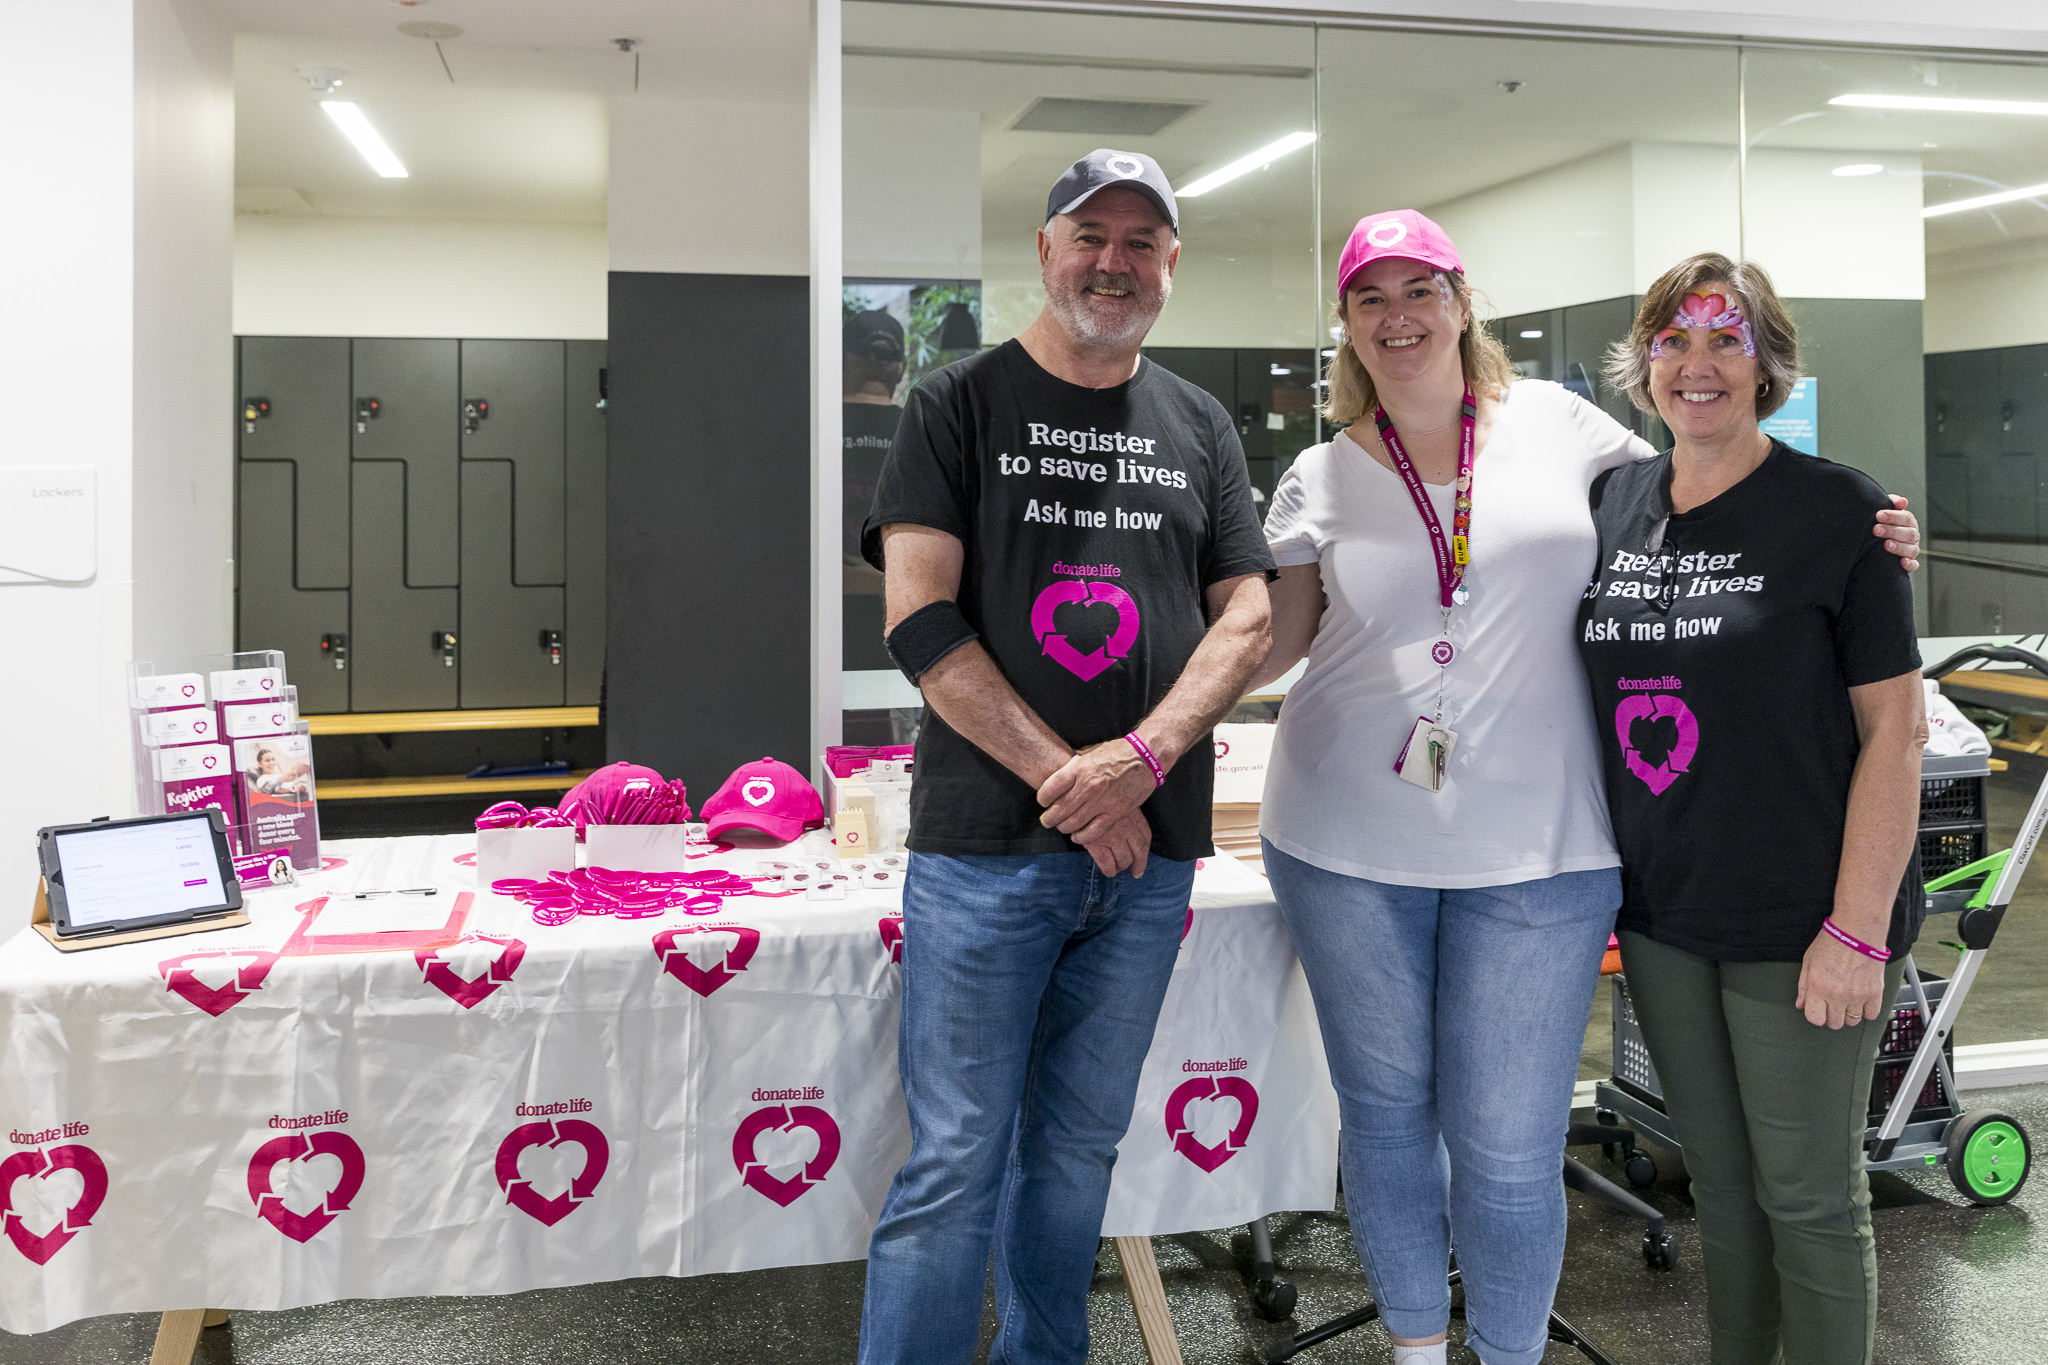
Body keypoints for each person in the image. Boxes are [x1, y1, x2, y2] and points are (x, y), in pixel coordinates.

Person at [1247, 212, 1919, 1365]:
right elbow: (1276, 640)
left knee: (1593, 1160)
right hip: (1463, 858)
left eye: (1422, 290)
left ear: (1464, 303)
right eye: (1370, 297)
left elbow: (1877, 707)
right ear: (1346, 327)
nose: (1695, 366)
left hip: (1619, 867)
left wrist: (1876, 532)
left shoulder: (1583, 442)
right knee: (1424, 1129)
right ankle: (1419, 1348)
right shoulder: (1347, 477)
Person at [855, 149, 1274, 1365]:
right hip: (987, 858)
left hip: (1147, 866)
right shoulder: (955, 401)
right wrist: (1076, 785)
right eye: (1089, 235)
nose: (1113, 261)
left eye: (1141, 242)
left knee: (1079, 1150)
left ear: (1170, 266)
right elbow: (919, 620)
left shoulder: (1197, 423)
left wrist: (1138, 759)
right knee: (954, 1159)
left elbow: (1244, 615)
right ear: (1043, 251)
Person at [1580, 255, 1924, 1365]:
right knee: (1720, 1198)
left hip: (1803, 920)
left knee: (1809, 1200)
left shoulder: (1839, 511)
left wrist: (1855, 929)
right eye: (1674, 342)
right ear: (1641, 366)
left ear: (1766, 364)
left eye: (1725, 341)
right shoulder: (1612, 503)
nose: (1697, 366)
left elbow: (1894, 734)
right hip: (1664, 915)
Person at [845, 309, 909, 670]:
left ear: (841, 359)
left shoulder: (809, 429)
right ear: (899, 367)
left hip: (823, 602)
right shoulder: (923, 431)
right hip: (902, 606)